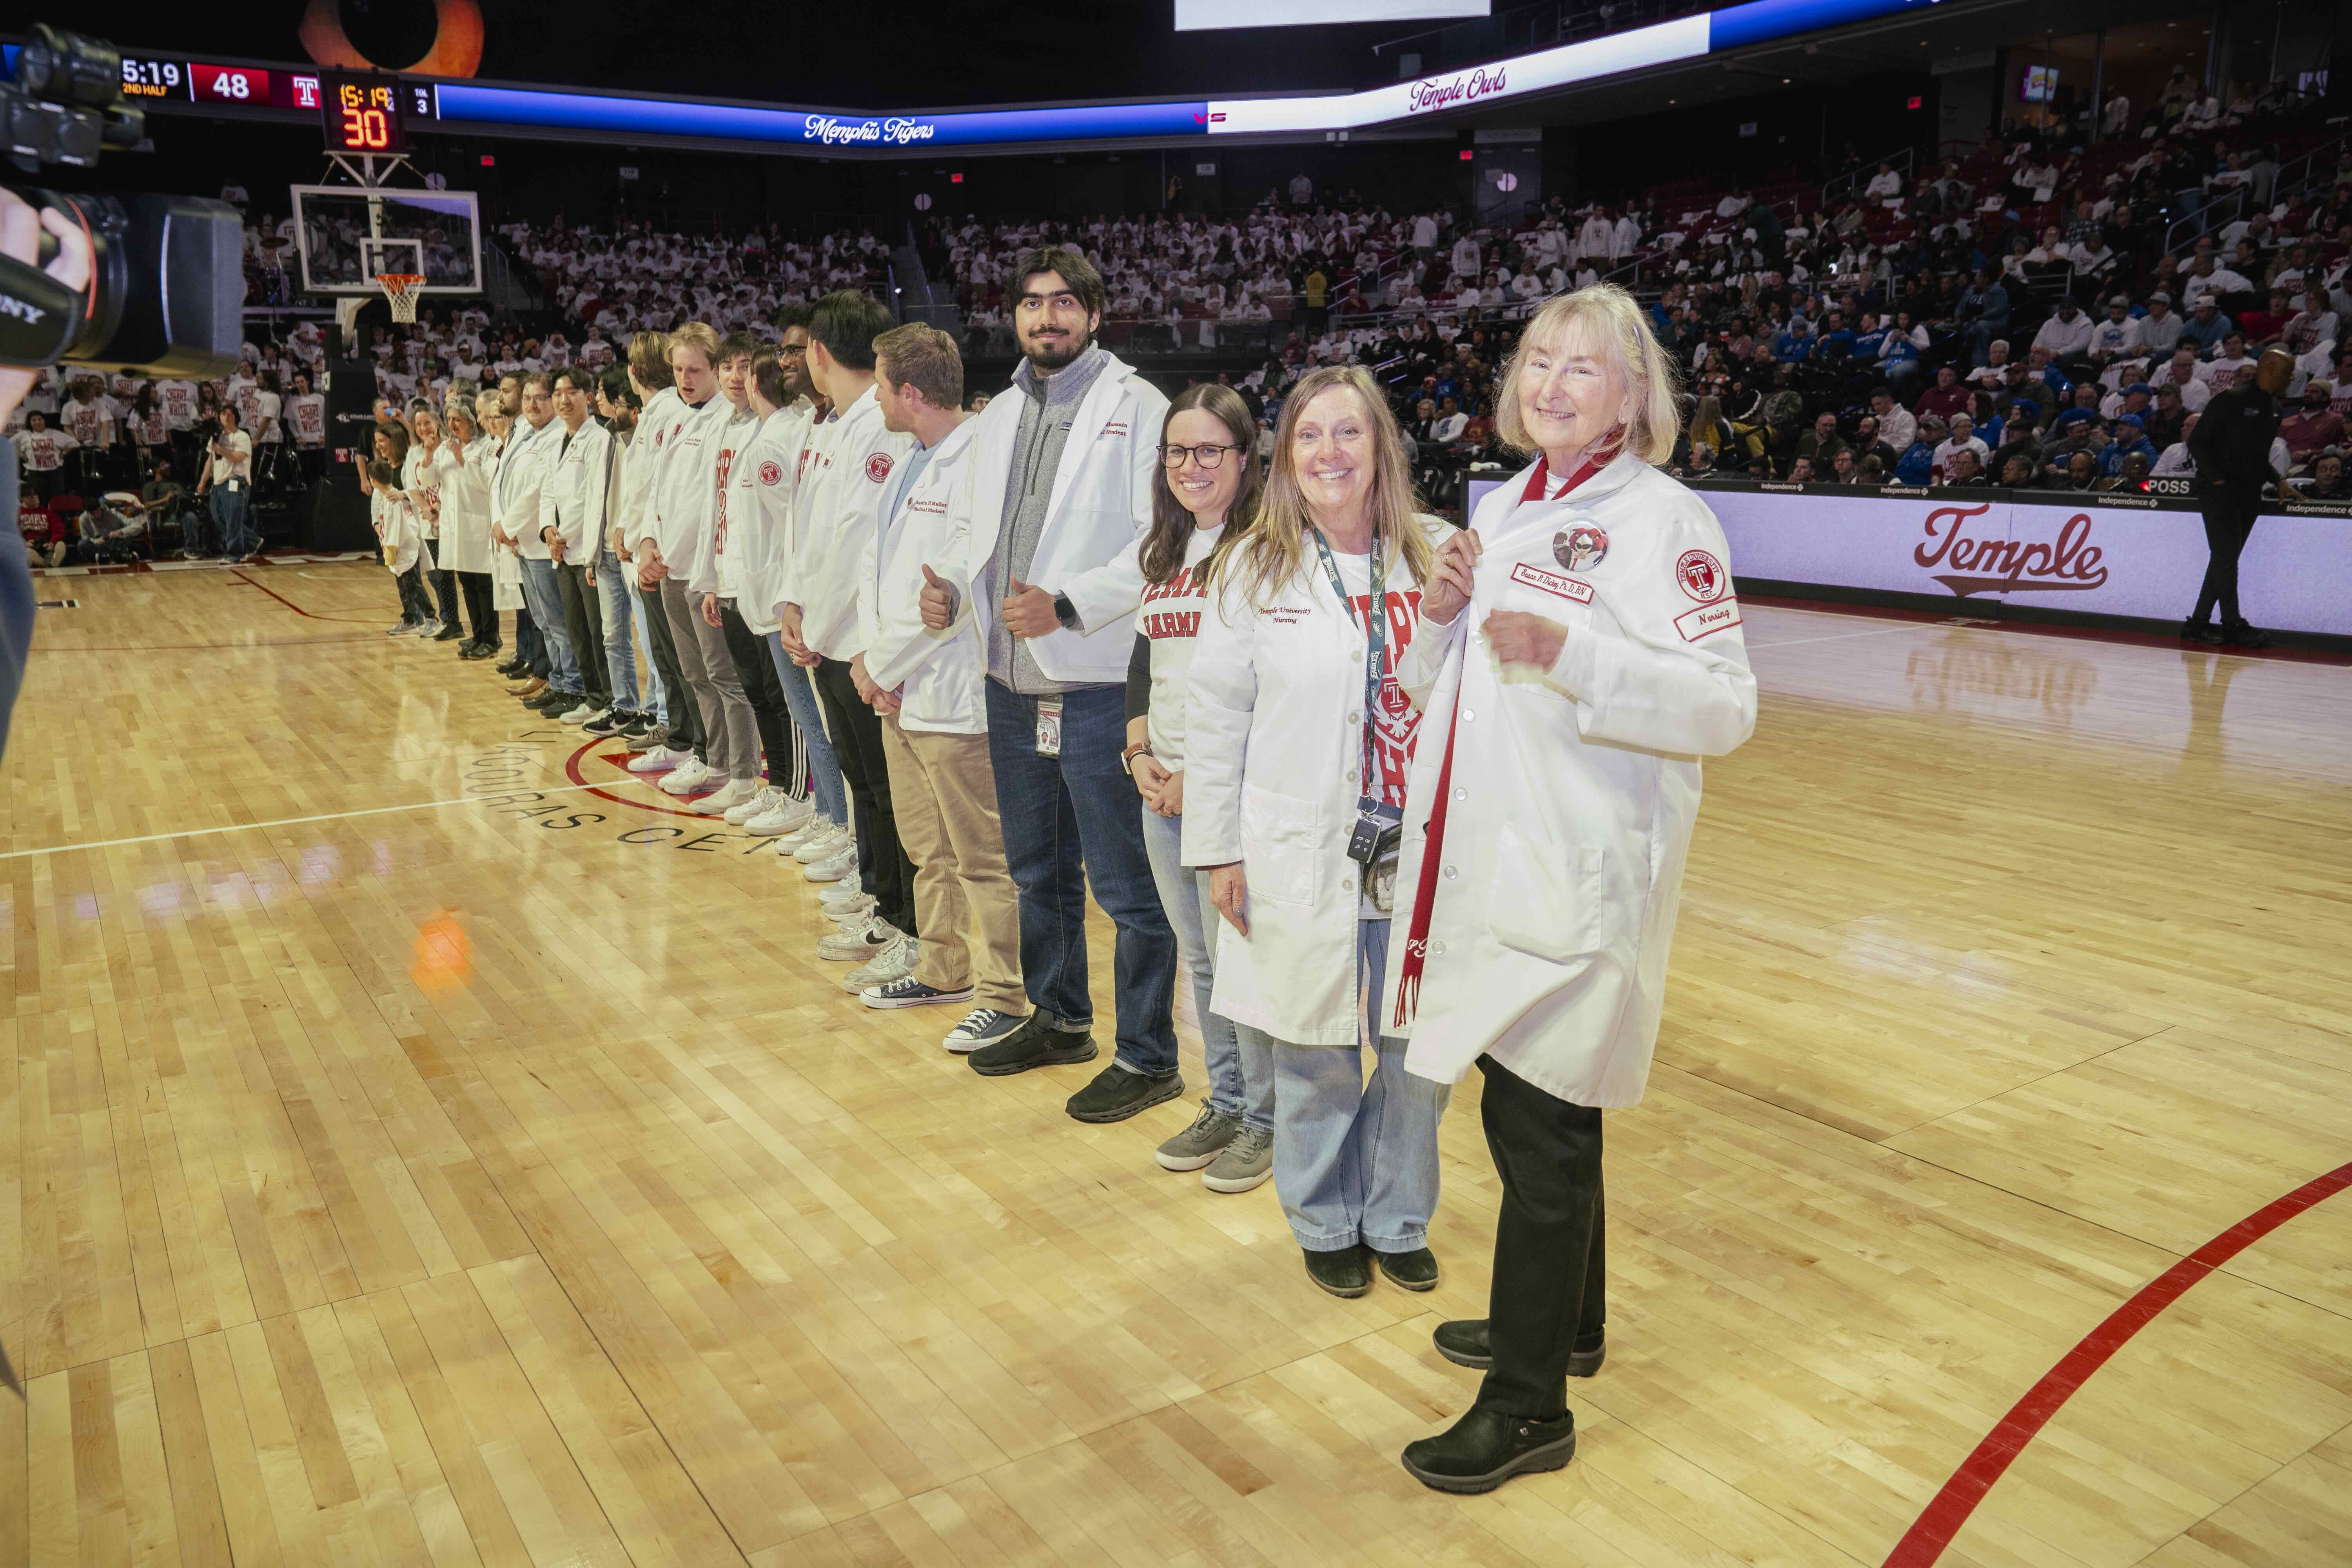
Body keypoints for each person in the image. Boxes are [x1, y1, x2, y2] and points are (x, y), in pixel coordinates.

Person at [1384, 285, 1757, 1495]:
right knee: (1544, 1108)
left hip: (1578, 879)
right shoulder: (1511, 505)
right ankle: (1568, 1327)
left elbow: (1722, 707)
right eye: (1538, 360)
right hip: (1499, 868)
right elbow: (1471, 687)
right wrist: (1442, 621)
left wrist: (1579, 655)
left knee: (1536, 1133)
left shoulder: (1663, 518)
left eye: (1582, 368)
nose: (1550, 383)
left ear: (1632, 393)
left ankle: (1527, 1405)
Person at [1186, 364, 1451, 1299]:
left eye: (1348, 432)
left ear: (1382, 444)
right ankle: (1324, 1214)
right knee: (1316, 1047)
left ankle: (1397, 1213)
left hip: (1421, 852)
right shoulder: (1253, 569)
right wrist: (1217, 848)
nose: (1329, 453)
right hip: (1299, 848)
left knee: (1420, 1050)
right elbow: (1214, 718)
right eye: (1308, 436)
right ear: (1283, 455)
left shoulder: (1442, 555)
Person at [919, 246, 1181, 1126]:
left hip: (1096, 676)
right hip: (1009, 675)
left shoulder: (1139, 408)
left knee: (1127, 885)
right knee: (1038, 870)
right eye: (1032, 306)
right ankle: (1062, 1017)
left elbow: (1159, 541)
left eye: (1065, 304)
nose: (1047, 319)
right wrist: (953, 585)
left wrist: (1068, 604)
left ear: (1096, 315)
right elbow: (969, 528)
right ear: (1015, 319)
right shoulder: (998, 415)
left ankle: (1148, 1056)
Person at [850, 320, 1031, 1047]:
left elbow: (953, 588)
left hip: (952, 696)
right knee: (930, 850)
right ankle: (944, 965)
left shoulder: (977, 460)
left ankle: (1007, 993)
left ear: (911, 392)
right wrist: (873, 667)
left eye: (881, 382)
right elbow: (885, 580)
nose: (875, 394)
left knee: (982, 857)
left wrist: (878, 667)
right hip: (899, 690)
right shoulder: (911, 460)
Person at [1126, 384, 1273, 1193]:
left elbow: (1266, 685)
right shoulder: (1167, 549)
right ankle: (1228, 1098)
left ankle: (1268, 1117)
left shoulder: (1267, 550)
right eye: (1179, 451)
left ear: (1245, 459)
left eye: (1210, 449)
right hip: (1164, 788)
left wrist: (1202, 775)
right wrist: (1139, 751)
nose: (1192, 465)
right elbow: (1145, 660)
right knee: (1201, 957)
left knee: (1240, 956)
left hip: (1230, 790)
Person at [781, 291, 921, 971]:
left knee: (889, 791)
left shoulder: (876, 424)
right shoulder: (836, 423)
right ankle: (881, 901)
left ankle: (907, 924)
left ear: (817, 351)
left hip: (861, 640)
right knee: (865, 784)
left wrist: (818, 621)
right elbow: (809, 534)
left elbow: (858, 545)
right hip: (832, 632)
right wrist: (794, 604)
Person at [687, 333, 789, 821]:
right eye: (725, 367)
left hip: (761, 585)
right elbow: (715, 511)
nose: (732, 377)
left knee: (775, 694)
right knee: (750, 689)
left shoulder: (776, 428)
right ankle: (756, 784)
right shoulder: (724, 426)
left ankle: (790, 789)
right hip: (726, 580)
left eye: (742, 367)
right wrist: (710, 578)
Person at [2183, 347, 2291, 648]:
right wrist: (2217, 480)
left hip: (2250, 491)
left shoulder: (2275, 408)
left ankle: (2197, 624)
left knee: (2224, 559)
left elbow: (2257, 456)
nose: (2293, 377)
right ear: (2269, 367)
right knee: (2227, 558)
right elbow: (2197, 442)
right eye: (2287, 371)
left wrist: (2278, 479)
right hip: (2220, 492)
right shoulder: (2230, 399)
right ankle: (2232, 625)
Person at [540, 367, 617, 726]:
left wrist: (563, 536)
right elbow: (549, 492)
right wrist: (547, 530)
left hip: (586, 549)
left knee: (597, 629)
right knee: (576, 630)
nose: (563, 399)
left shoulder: (598, 438)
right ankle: (591, 696)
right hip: (562, 549)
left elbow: (592, 498)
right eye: (557, 393)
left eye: (571, 392)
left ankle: (609, 698)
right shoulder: (558, 439)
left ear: (587, 396)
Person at [436, 393, 499, 658]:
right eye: (449, 420)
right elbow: (431, 480)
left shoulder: (485, 446)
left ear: (471, 422)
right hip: (456, 528)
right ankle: (477, 635)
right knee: (467, 585)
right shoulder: (446, 447)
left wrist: (462, 459)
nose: (452, 425)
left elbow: (486, 486)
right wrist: (430, 454)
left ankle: (491, 638)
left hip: (478, 527)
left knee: (483, 585)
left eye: (458, 420)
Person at [195, 403, 254, 565]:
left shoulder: (242, 436)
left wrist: (220, 450)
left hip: (235, 481)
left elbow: (239, 457)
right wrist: (203, 481)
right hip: (219, 483)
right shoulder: (216, 436)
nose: (227, 418)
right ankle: (253, 542)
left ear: (236, 418)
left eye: (230, 415)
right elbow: (210, 461)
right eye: (223, 415)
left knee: (233, 520)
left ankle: (234, 554)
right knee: (218, 517)